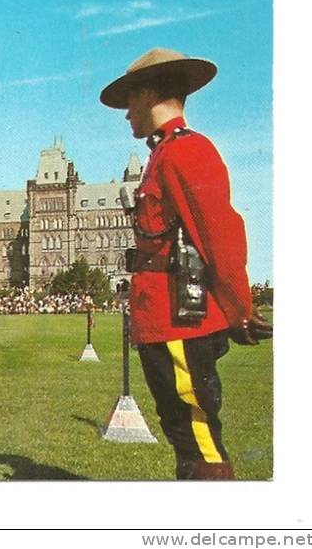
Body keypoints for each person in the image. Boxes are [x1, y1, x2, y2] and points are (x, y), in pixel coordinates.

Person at [100, 47, 272, 480]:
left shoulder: (186, 152)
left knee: (199, 440)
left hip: (180, 320)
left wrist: (240, 311)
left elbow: (222, 237)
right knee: (185, 436)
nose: (126, 116)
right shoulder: (162, 154)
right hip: (162, 320)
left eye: (130, 103)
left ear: (149, 93)